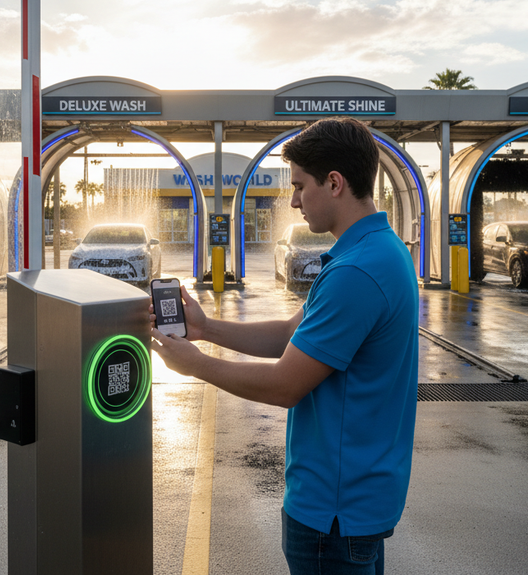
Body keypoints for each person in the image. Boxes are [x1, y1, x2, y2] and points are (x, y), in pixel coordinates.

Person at [150, 117, 419, 574]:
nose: (292, 201)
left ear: (334, 183)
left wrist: (194, 365)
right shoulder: (378, 251)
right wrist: (206, 328)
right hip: (360, 500)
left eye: (299, 186)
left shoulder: (356, 273)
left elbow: (284, 386)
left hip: (332, 512)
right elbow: (293, 334)